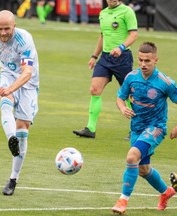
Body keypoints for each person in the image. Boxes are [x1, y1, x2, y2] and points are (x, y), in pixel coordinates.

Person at [112, 42, 177, 214]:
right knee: (143, 170)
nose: (143, 64)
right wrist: (123, 107)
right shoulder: (131, 77)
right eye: (140, 60)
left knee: (132, 157)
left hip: (156, 128)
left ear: (156, 60)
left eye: (147, 61)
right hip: (137, 128)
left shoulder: (166, 83)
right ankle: (166, 192)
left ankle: (122, 201)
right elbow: (120, 97)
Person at [0, 10, 39, 196]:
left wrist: (12, 88)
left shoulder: (24, 40)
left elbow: (27, 72)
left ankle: (13, 178)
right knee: (5, 101)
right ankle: (10, 137)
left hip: (28, 84)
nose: (3, 33)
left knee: (23, 130)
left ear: (14, 26)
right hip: (7, 75)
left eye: (7, 29)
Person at [73, 0, 138, 139]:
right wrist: (94, 56)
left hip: (123, 58)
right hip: (105, 58)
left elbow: (133, 35)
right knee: (94, 89)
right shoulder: (103, 13)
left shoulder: (127, 11)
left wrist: (121, 48)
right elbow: (102, 36)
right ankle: (90, 129)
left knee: (129, 93)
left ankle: (136, 129)